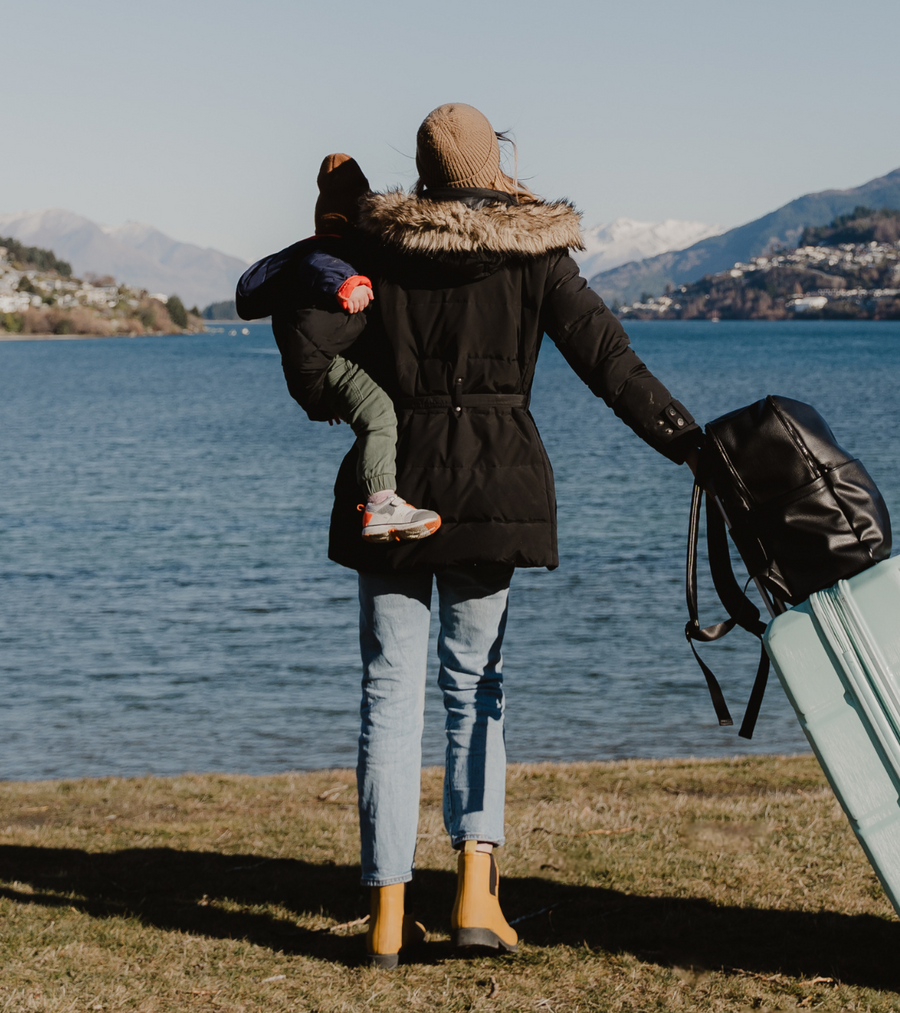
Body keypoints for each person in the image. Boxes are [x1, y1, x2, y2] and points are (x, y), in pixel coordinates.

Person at [327, 103, 702, 968]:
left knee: (389, 693)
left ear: (422, 170)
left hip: (392, 489)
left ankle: (387, 914)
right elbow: (610, 359)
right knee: (476, 683)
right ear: (493, 166)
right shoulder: (535, 249)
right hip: (494, 486)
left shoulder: (376, 250)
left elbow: (320, 354)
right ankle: (474, 896)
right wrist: (689, 441)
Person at [235, 153, 441, 542]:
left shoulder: (293, 255)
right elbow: (323, 266)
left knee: (367, 410)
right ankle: (381, 505)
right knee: (379, 416)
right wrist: (349, 285)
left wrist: (320, 403)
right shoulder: (328, 253)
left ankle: (381, 498)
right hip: (324, 362)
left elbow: (249, 292)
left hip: (310, 367)